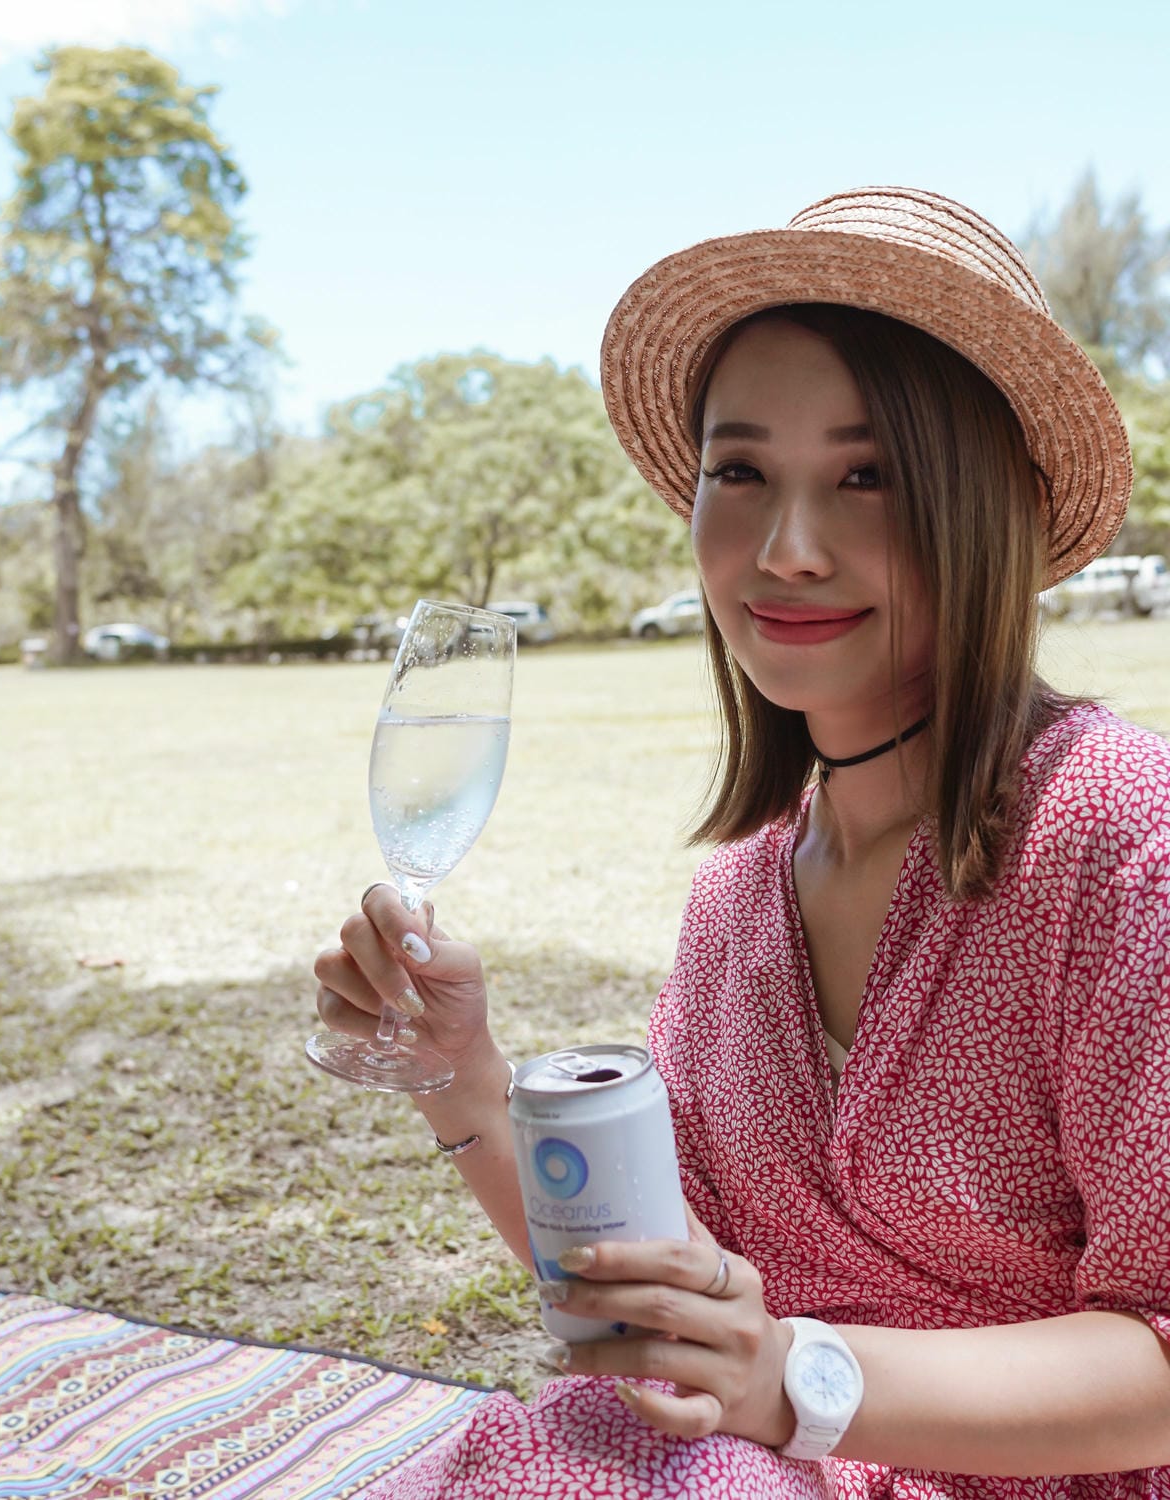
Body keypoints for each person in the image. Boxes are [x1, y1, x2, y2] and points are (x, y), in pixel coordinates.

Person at [313, 188, 1170, 1498]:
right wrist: (461, 1077)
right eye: (742, 473)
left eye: (868, 475)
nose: (787, 549)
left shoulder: (1119, 840)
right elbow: (657, 1293)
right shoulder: (736, 901)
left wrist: (799, 1382)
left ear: (987, 506)